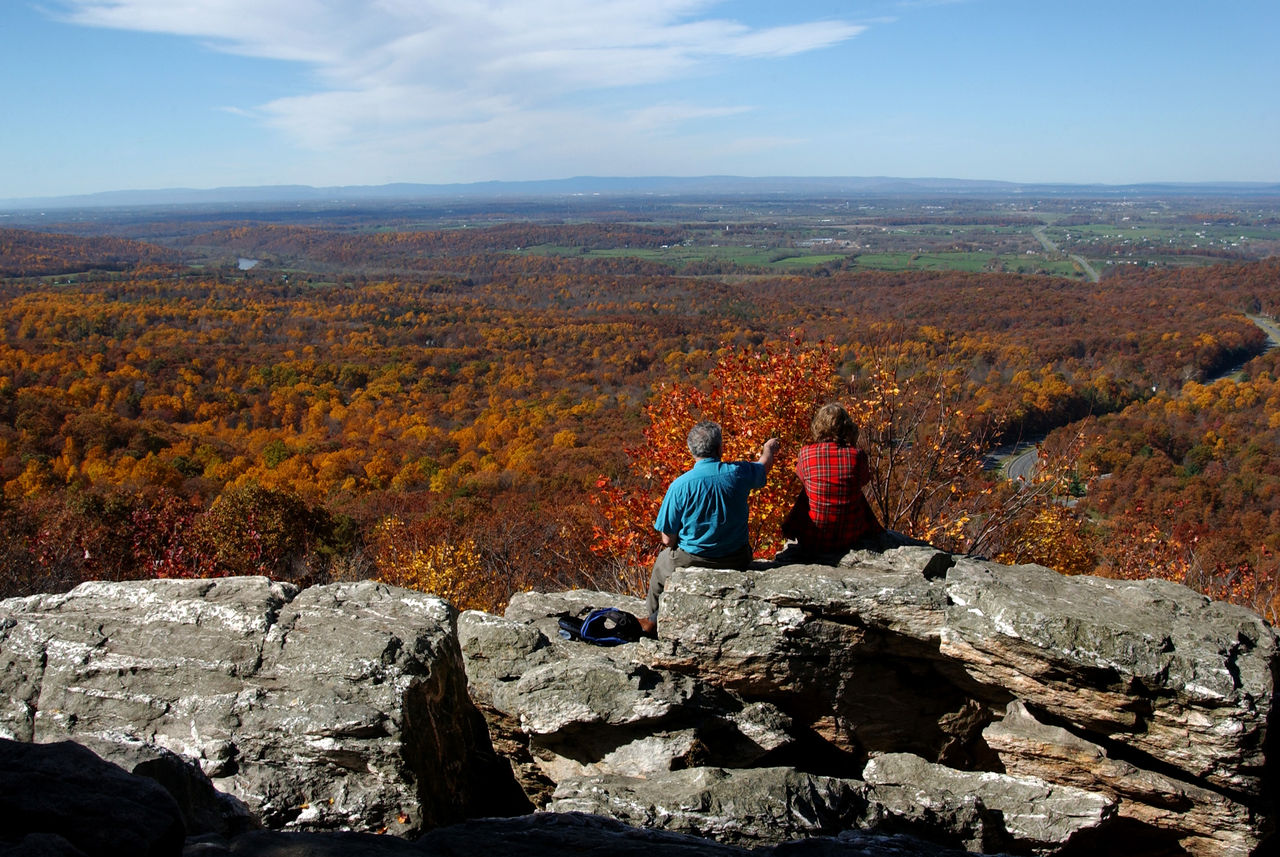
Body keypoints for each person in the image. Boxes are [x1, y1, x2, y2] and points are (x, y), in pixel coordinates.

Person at [640, 421, 780, 634]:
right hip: (737, 558)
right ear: (720, 448)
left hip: (692, 559)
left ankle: (653, 622)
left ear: (691, 451)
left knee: (661, 565)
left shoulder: (680, 485)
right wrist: (768, 449)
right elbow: (764, 466)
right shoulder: (739, 473)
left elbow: (667, 539)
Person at [783, 402, 885, 561]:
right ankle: (875, 531)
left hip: (813, 538)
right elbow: (864, 480)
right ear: (847, 427)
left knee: (808, 492)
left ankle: (789, 531)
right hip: (850, 536)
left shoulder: (806, 453)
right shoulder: (857, 455)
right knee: (853, 491)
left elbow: (803, 478)